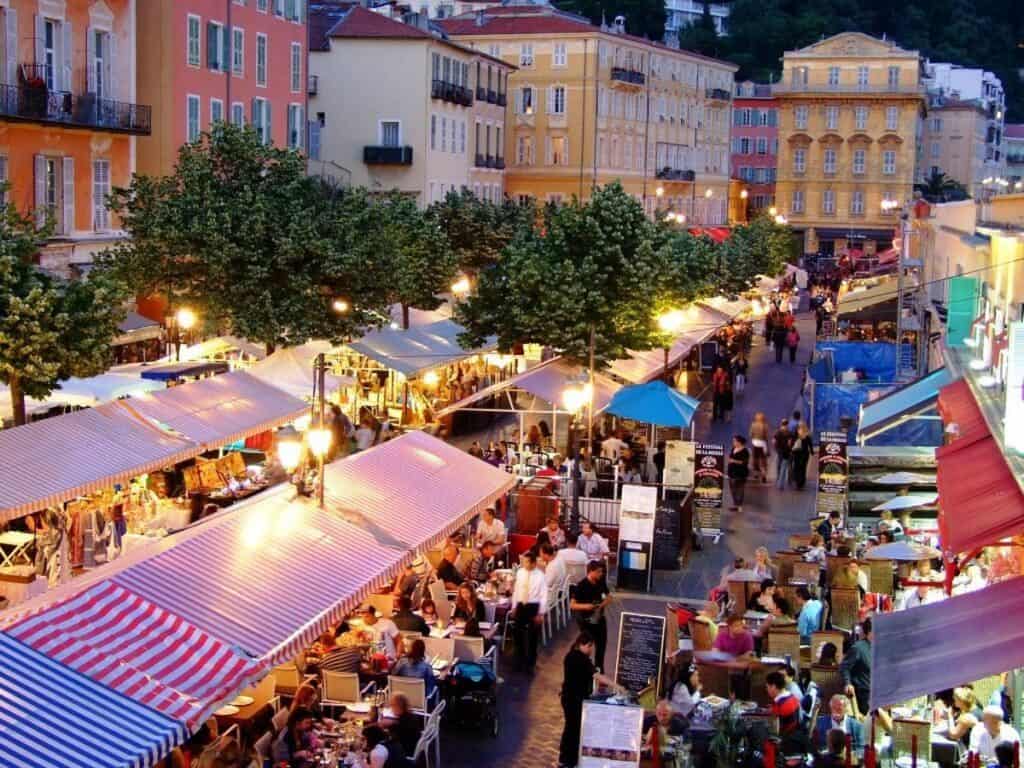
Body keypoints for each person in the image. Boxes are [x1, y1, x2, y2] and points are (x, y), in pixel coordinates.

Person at [559, 632, 622, 767]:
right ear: (582, 645)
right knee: (573, 730)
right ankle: (568, 761)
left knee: (571, 728)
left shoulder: (571, 655)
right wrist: (616, 686)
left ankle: (566, 758)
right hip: (574, 700)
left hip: (569, 698)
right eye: (589, 647)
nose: (590, 651)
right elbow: (597, 675)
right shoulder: (580, 658)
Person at [570, 560, 612, 671]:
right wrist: (586, 606)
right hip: (586, 622)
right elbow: (573, 605)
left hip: (599, 619)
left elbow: (609, 597)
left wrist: (603, 604)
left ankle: (599, 671)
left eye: (601, 572)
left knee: (601, 647)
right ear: (591, 572)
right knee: (586, 648)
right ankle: (584, 670)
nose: (601, 574)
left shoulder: (601, 582)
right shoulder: (581, 585)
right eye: (598, 572)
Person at [511, 551, 547, 672]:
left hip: (533, 606)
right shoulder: (520, 573)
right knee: (518, 634)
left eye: (525, 562)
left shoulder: (541, 576)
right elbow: (517, 590)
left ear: (533, 563)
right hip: (521, 605)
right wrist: (514, 606)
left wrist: (540, 613)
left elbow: (543, 595)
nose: (523, 564)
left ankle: (530, 663)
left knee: (533, 637)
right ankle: (518, 661)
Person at [840, 618, 873, 716]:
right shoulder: (858, 648)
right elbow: (844, 667)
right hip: (864, 694)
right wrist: (848, 683)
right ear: (871, 631)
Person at [766, 671, 803, 743]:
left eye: (767, 687)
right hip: (797, 735)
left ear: (773, 687)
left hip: (785, 740)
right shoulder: (792, 697)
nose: (766, 690)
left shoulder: (779, 703)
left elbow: (774, 729)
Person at [727, 435, 750, 514]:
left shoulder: (745, 451)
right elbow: (730, 457)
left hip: (740, 473)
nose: (733, 443)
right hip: (731, 472)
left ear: (739, 442)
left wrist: (734, 461)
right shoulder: (733, 449)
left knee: (739, 490)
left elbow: (744, 462)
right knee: (733, 489)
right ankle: (735, 504)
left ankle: (739, 506)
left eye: (735, 441)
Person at [749, 412, 770, 483]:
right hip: (762, 443)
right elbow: (766, 437)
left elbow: (750, 434)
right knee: (763, 461)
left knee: (755, 459)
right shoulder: (765, 426)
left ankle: (756, 474)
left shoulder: (753, 425)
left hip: (755, 443)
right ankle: (764, 475)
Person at [791, 424, 812, 490]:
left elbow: (792, 442)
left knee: (797, 467)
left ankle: (797, 482)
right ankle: (802, 482)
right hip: (805, 454)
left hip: (797, 453)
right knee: (803, 468)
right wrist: (812, 452)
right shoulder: (807, 435)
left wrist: (790, 450)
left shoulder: (796, 434)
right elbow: (810, 444)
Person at [773, 419, 793, 489]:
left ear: (781, 424)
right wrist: (790, 449)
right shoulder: (789, 433)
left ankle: (778, 479)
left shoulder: (777, 432)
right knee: (785, 467)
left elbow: (774, 441)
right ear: (787, 424)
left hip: (779, 450)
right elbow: (789, 443)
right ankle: (784, 482)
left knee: (778, 464)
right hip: (786, 451)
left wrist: (776, 448)